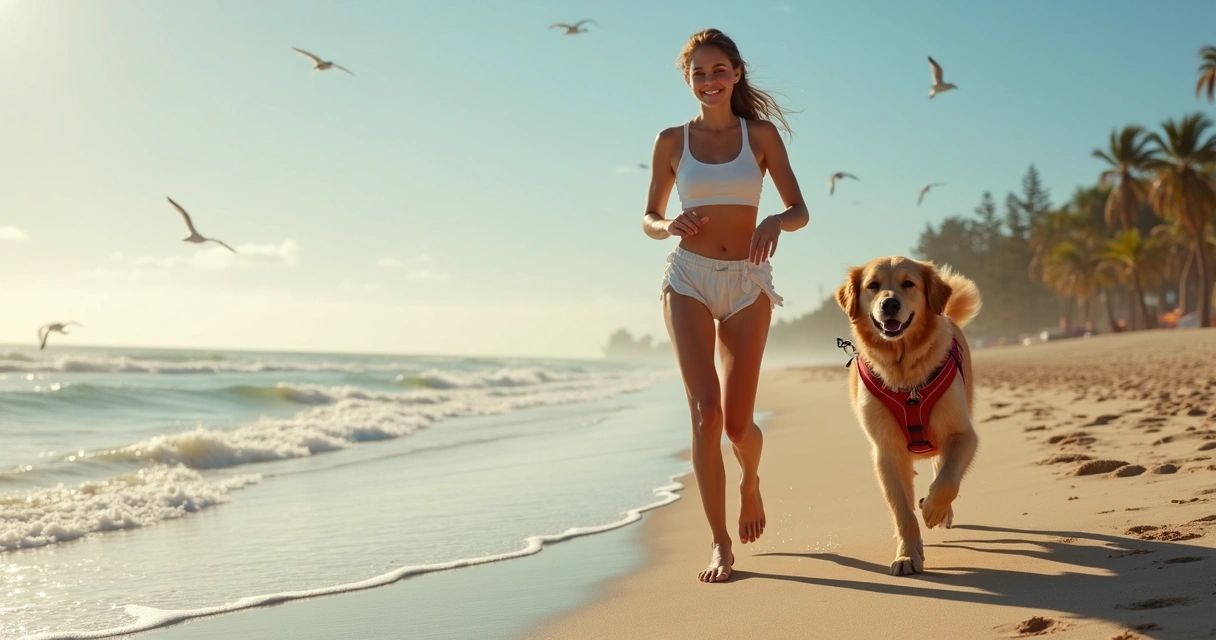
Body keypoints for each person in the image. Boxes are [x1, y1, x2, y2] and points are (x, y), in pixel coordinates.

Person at [641, 28, 809, 583]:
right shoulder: (671, 140)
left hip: (747, 284)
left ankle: (751, 481)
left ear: (736, 74)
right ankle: (719, 544)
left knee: (738, 428)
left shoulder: (758, 134)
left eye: (718, 71)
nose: (709, 82)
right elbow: (648, 218)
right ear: (688, 80)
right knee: (704, 414)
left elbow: (799, 208)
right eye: (699, 73)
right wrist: (669, 226)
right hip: (688, 278)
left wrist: (773, 220)